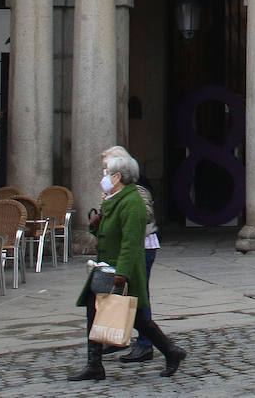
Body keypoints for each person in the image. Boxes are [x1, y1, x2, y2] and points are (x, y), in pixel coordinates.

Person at [67, 150, 187, 381]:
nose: (104, 176)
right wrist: (96, 223)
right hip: (105, 267)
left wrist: (122, 273)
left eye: (107, 172)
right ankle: (95, 364)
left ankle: (171, 351)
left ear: (118, 176)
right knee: (94, 310)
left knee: (137, 317)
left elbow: (132, 243)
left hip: (120, 269)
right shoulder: (114, 199)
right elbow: (106, 233)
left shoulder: (132, 202)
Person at [100, 145, 161, 363]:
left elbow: (142, 216)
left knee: (138, 297)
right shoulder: (116, 192)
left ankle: (148, 344)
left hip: (142, 247)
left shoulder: (137, 190)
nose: (104, 174)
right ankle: (116, 338)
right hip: (126, 249)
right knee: (120, 297)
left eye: (107, 168)